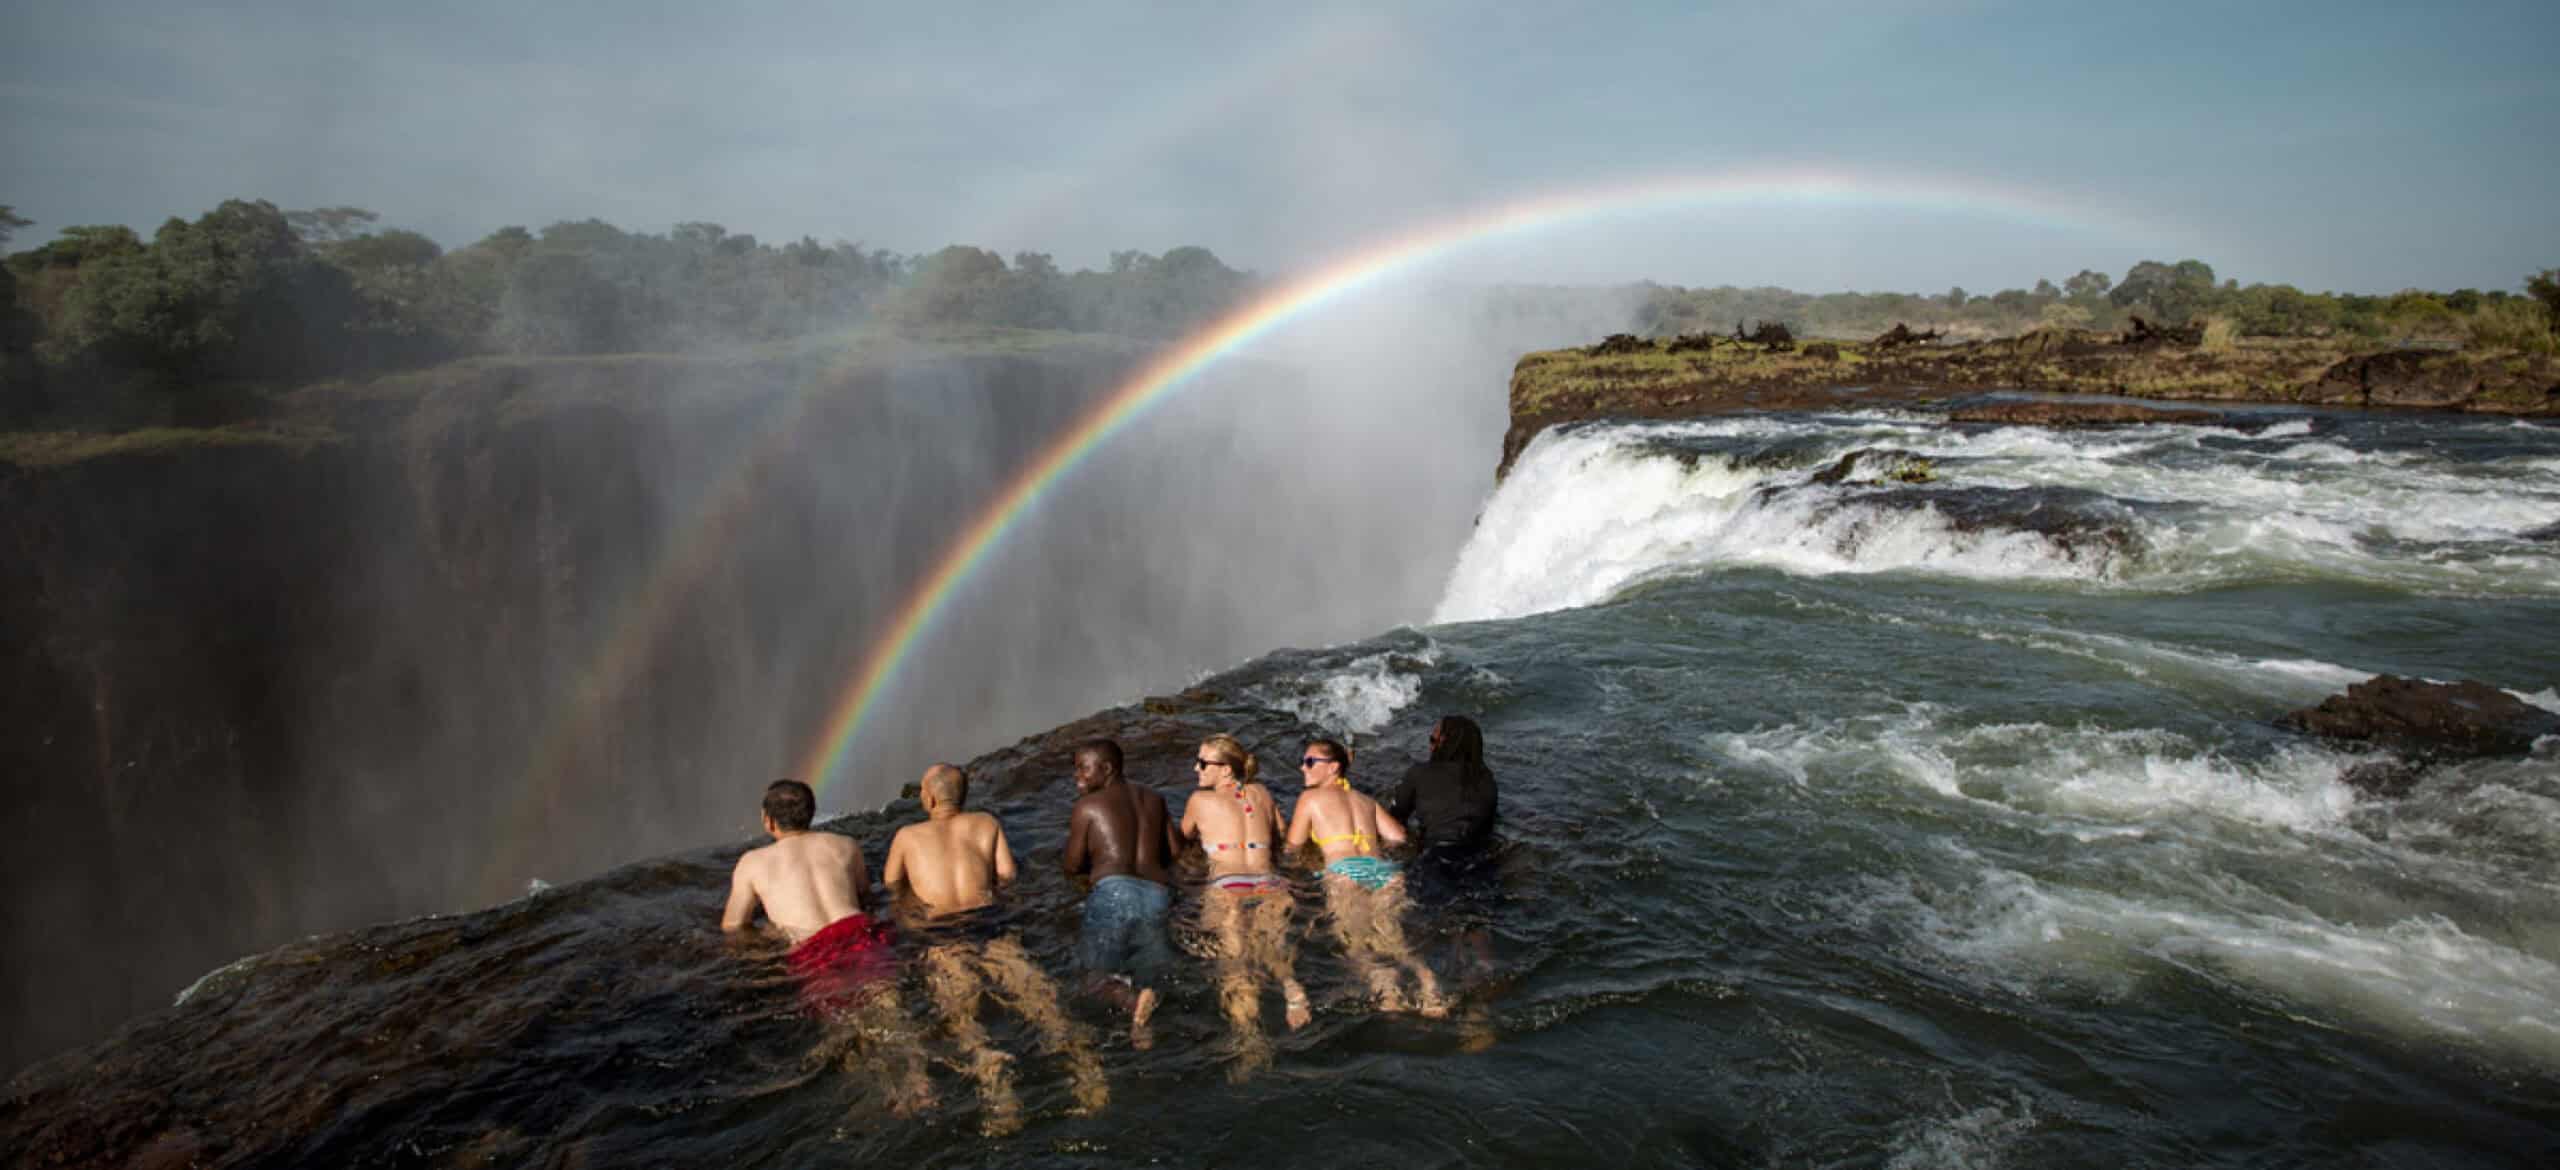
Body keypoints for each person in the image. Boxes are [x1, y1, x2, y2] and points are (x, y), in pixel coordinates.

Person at [883, 764, 1104, 1131]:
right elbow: (1008, 876)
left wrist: (909, 920)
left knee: (961, 1015)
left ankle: (993, 1074)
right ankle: (1087, 1071)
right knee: (1041, 1000)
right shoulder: (986, 823)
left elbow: (892, 885)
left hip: (940, 934)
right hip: (989, 923)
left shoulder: (907, 836)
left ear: (930, 797)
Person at [722, 778, 930, 1113]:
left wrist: (769, 937)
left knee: (845, 1024)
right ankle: (921, 1080)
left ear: (768, 821)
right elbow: (864, 895)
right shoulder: (845, 844)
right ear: (812, 813)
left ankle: (887, 1093)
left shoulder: (752, 862)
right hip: (859, 932)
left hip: (813, 949)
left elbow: (733, 926)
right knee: (890, 1006)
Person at [1283, 738, 1445, 1017]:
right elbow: (1397, 837)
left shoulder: (1309, 799)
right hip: (1385, 874)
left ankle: (1388, 992)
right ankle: (1427, 982)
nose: (1302, 767)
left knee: (1355, 945)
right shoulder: (1366, 801)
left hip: (1345, 873)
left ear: (1333, 767)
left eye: (1310, 762)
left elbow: (1292, 847)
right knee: (1394, 940)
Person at [1180, 733, 1309, 1076]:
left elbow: (1184, 838)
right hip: (1271, 883)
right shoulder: (1263, 793)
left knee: (1236, 965)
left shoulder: (1198, 800)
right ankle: (1291, 988)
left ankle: (1250, 1039)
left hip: (1228, 884)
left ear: (1225, 771)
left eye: (1203, 763)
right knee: (1273, 949)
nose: (1196, 768)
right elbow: (1280, 835)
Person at [1060, 738, 1179, 1048]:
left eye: (1083, 769)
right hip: (1158, 894)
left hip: (1114, 892)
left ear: (1107, 768)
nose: (1078, 777)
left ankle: (1131, 1001)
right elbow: (1176, 852)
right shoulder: (1155, 798)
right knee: (1151, 973)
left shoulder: (1088, 807)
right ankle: (1142, 1026)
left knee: (1094, 979)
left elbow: (1072, 866)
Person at [1386, 715, 1500, 862]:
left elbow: (1395, 817)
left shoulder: (1420, 772)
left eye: (1433, 740)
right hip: (1480, 857)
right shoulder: (1487, 779)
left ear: (1444, 743)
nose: (1430, 747)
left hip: (1437, 856)